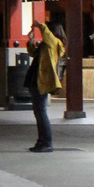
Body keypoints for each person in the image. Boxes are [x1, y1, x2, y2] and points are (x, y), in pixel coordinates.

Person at [25, 19, 65, 152]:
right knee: (38, 112)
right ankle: (41, 141)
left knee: (41, 112)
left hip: (41, 80)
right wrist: (31, 40)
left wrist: (40, 25)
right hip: (35, 78)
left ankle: (46, 142)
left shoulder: (54, 43)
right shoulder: (46, 46)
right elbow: (33, 53)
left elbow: (48, 36)